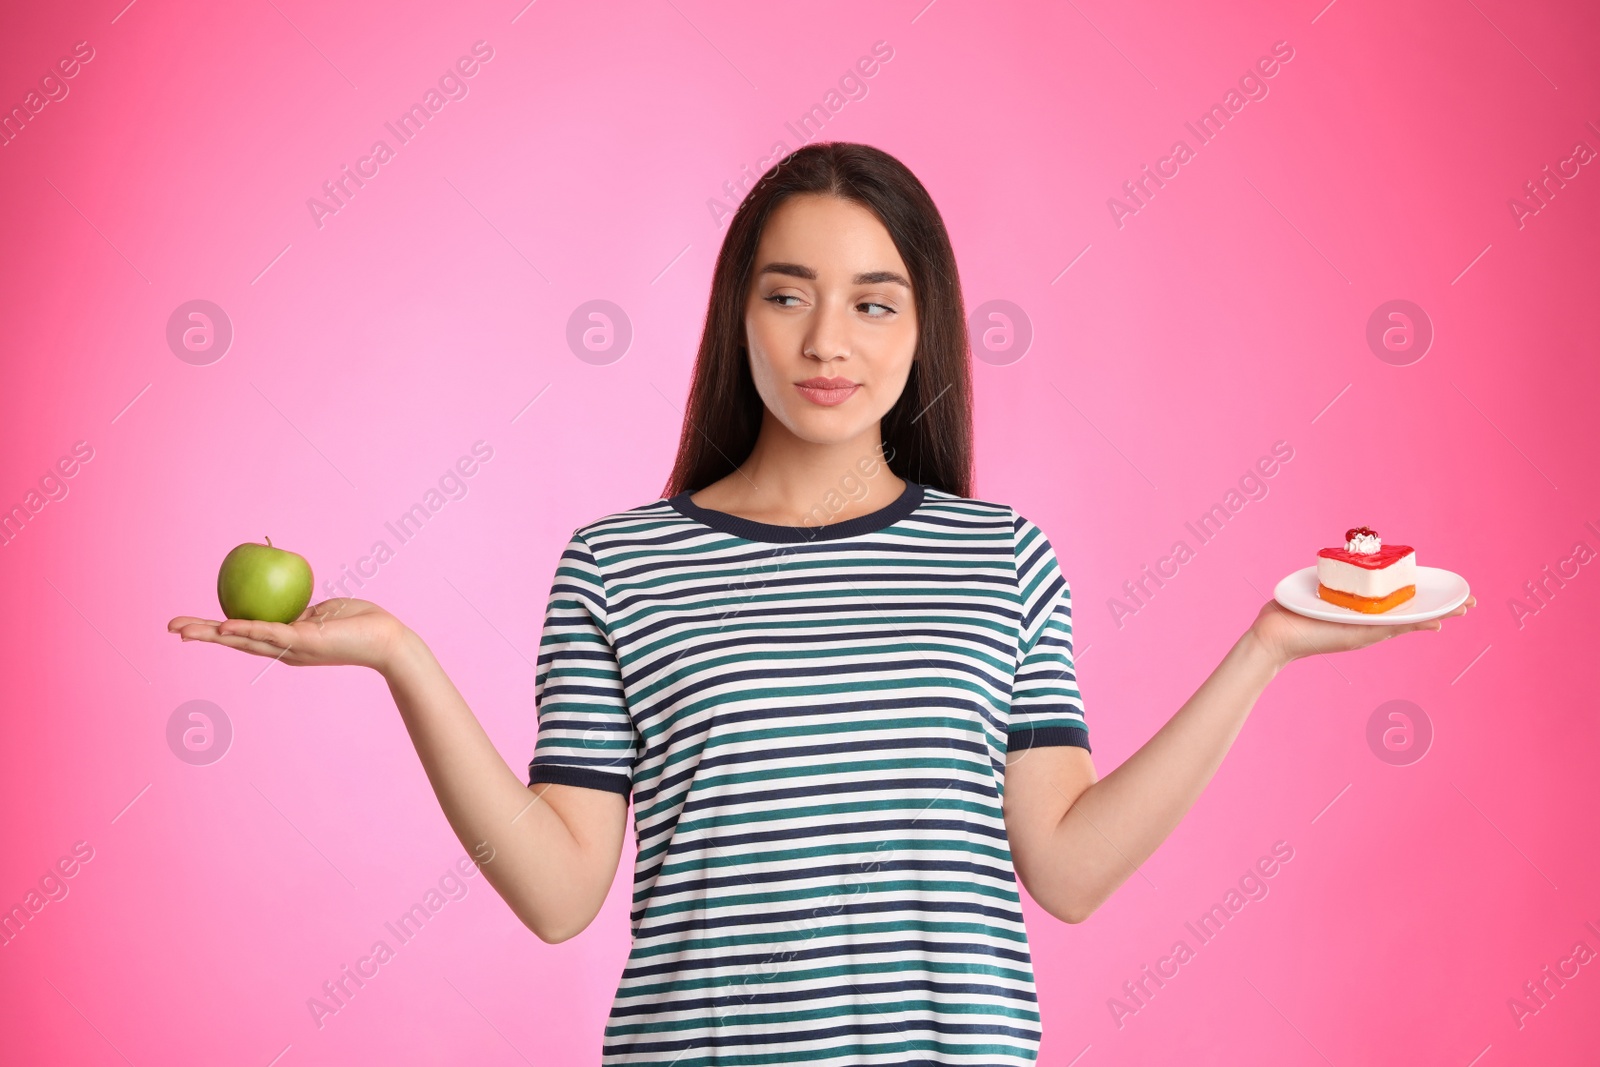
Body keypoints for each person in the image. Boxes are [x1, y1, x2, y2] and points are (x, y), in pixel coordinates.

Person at [168, 141, 1474, 1064]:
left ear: (924, 329)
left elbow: (1066, 871)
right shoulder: (618, 567)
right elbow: (563, 892)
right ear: (739, 310)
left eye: (872, 302)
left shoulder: (999, 558)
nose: (825, 343)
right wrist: (401, 657)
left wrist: (1262, 651)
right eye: (786, 294)